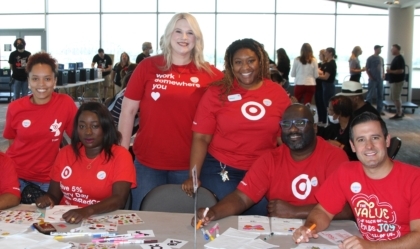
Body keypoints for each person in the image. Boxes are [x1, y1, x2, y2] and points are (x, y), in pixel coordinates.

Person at [118, 13, 224, 210]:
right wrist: (121, 157)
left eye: (190, 33)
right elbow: (128, 111)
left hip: (188, 166)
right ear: (169, 35)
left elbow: (236, 99)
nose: (184, 37)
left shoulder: (210, 75)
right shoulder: (147, 67)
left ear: (197, 39)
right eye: (178, 31)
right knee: (141, 221)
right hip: (147, 164)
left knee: (182, 228)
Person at [181, 38, 290, 215]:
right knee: (225, 218)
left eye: (251, 61)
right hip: (221, 169)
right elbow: (201, 138)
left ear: (260, 61)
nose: (245, 68)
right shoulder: (217, 92)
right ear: (231, 66)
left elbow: (283, 140)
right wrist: (193, 177)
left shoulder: (276, 93)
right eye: (238, 62)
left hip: (262, 171)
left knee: (258, 223)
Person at [193, 104, 351, 224]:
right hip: (281, 233)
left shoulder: (334, 157)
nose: (293, 129)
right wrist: (212, 213)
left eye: (301, 123)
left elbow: (347, 209)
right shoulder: (270, 159)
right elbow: (241, 198)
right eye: (286, 125)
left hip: (327, 230)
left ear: (315, 127)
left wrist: (295, 212)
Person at [293, 112, 420, 248]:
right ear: (353, 146)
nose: (369, 146)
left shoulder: (414, 178)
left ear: (387, 140)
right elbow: (323, 211)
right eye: (361, 140)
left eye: (375, 138)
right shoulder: (346, 172)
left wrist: (372, 246)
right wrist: (310, 227)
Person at [36, 102, 136, 224]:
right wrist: (48, 199)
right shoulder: (65, 153)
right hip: (65, 219)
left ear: (105, 127)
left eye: (94, 126)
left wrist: (86, 211)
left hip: (102, 219)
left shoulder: (121, 155)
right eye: (82, 126)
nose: (88, 132)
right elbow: (54, 195)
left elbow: (119, 199)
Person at [3, 52, 77, 193]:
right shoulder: (15, 108)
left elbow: (78, 138)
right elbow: (12, 141)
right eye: (35, 79)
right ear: (29, 81)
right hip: (15, 175)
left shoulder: (65, 103)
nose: (41, 84)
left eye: (47, 79)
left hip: (47, 179)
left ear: (55, 81)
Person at [317, 95, 357, 161]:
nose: (328, 111)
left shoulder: (355, 128)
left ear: (339, 113)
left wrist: (340, 146)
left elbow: (357, 153)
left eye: (330, 109)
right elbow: (325, 132)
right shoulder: (336, 125)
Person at [318, 47, 337, 122]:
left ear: (330, 53)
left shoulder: (330, 64)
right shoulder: (328, 64)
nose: (325, 53)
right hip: (326, 86)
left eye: (326, 52)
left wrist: (316, 75)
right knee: (326, 104)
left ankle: (330, 122)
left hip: (328, 86)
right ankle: (329, 121)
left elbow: (326, 77)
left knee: (328, 105)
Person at [387, 44, 406, 120]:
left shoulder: (399, 59)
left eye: (392, 49)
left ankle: (399, 113)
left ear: (396, 49)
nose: (391, 50)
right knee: (396, 97)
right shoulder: (397, 58)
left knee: (396, 98)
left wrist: (390, 71)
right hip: (395, 81)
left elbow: (401, 70)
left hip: (397, 81)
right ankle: (400, 112)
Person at [365, 45, 385, 116]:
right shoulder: (370, 58)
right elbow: (367, 68)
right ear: (376, 49)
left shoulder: (381, 59)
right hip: (372, 80)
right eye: (379, 49)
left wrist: (383, 74)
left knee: (380, 95)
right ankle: (367, 109)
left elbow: (383, 67)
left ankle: (379, 110)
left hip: (380, 80)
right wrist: (370, 76)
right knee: (370, 95)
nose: (380, 50)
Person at [315, 49, 327, 125]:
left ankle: (324, 119)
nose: (319, 56)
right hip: (317, 85)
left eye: (320, 54)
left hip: (323, 86)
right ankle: (320, 119)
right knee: (318, 103)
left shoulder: (326, 65)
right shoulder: (318, 64)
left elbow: (324, 75)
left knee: (323, 103)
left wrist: (317, 74)